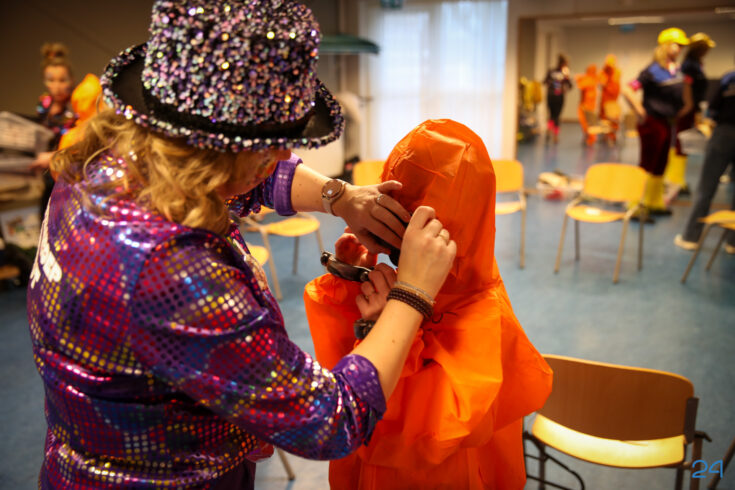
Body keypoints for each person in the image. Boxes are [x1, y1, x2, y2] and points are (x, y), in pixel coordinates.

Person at [26, 1, 456, 488]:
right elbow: (328, 421)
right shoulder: (172, 268)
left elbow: (241, 179)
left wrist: (340, 197)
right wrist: (412, 294)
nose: (284, 153)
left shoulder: (107, 161)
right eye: (267, 143)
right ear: (212, 149)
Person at [304, 119, 553, 489]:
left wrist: (381, 326)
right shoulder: (419, 282)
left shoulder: (480, 314)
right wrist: (350, 282)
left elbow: (414, 435)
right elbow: (337, 375)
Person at [622, 27, 692, 217]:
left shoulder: (677, 71)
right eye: (677, 45)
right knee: (647, 163)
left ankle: (654, 202)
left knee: (661, 164)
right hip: (652, 123)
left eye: (682, 46)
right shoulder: (653, 70)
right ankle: (636, 203)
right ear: (666, 46)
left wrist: (685, 108)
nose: (680, 49)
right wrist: (639, 110)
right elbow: (628, 89)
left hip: (668, 122)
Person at [674, 63, 735, 253]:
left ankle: (690, 237)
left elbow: (713, 107)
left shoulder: (730, 77)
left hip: (725, 133)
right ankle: (732, 242)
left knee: (706, 187)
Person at [666, 32, 716, 196]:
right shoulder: (689, 66)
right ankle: (674, 180)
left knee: (682, 144)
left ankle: (677, 179)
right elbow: (686, 89)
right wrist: (688, 107)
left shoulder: (695, 65)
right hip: (685, 109)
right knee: (679, 142)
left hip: (691, 109)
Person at [32, 42, 77, 220]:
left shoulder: (76, 106)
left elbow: (78, 145)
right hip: (47, 175)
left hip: (71, 172)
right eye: (51, 80)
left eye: (62, 80)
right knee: (45, 218)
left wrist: (52, 156)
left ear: (71, 80)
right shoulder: (44, 103)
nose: (56, 86)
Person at [544, 54, 572, 144]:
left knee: (552, 115)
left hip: (552, 96)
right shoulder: (564, 73)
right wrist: (561, 85)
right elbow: (570, 86)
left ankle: (550, 131)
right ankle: (555, 135)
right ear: (563, 63)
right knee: (556, 116)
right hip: (557, 96)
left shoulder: (552, 71)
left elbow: (545, 82)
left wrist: (553, 84)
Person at [599, 54, 622, 145]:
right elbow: (602, 83)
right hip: (605, 100)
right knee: (604, 117)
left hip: (613, 101)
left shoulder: (617, 72)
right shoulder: (603, 72)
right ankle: (606, 134)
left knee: (614, 117)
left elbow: (616, 86)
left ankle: (612, 135)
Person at [575, 64, 599, 146]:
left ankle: (591, 137)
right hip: (585, 104)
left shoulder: (590, 79)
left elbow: (581, 86)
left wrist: (578, 79)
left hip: (587, 105)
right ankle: (587, 136)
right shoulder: (590, 78)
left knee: (587, 122)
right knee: (585, 121)